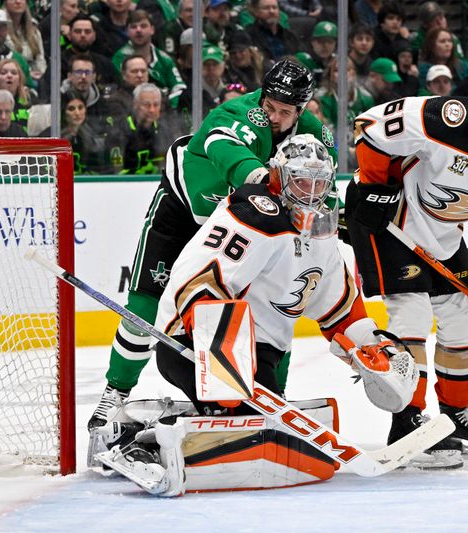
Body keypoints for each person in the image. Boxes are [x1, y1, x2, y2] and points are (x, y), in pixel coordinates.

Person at [93, 134, 417, 497]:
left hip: (259, 355)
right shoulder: (253, 213)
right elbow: (200, 284)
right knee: (231, 410)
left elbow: (338, 308)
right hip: (195, 344)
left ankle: (165, 424)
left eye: (318, 180)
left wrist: (368, 348)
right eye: (300, 179)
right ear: (278, 176)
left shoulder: (321, 233)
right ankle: (139, 444)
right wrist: (224, 365)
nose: (310, 190)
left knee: (255, 426)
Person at [86, 59, 337, 452]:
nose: (273, 116)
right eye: (270, 106)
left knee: (273, 310)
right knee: (145, 307)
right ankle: (114, 394)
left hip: (244, 229)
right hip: (185, 214)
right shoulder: (239, 112)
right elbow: (225, 147)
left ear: (301, 110)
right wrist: (259, 179)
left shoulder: (313, 133)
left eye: (284, 112)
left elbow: (322, 187)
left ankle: (275, 403)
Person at [345, 71, 468, 468]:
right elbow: (370, 126)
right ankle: (408, 418)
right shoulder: (445, 120)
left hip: (443, 237)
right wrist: (374, 184)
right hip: (389, 221)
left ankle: (454, 412)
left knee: (464, 320)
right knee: (412, 314)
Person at [112, 9, 186, 109]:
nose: (138, 30)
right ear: (127, 31)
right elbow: (120, 89)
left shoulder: (165, 59)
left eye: (143, 26)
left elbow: (179, 88)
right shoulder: (119, 58)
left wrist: (167, 105)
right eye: (133, 27)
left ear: (152, 29)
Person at [40, 91, 108, 173]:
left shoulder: (96, 134)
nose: (77, 113)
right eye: (71, 109)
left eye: (80, 107)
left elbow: (103, 168)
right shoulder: (50, 135)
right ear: (63, 112)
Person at [3, 0, 45, 81]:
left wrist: (41, 74)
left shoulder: (35, 32)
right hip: (9, 77)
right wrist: (27, 74)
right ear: (5, 2)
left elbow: (40, 61)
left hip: (34, 79)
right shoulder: (0, 31)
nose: (18, 1)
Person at [294, 20, 337, 85]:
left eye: (330, 42)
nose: (325, 46)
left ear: (335, 44)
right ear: (312, 42)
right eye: (321, 41)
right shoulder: (302, 59)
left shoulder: (337, 61)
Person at [0, 57, 30, 133]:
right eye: (3, 73)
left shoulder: (30, 101)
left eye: (14, 73)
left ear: (19, 81)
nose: (9, 76)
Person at [348, 22, 375, 87]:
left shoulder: (373, 65)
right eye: (360, 39)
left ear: (373, 43)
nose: (364, 43)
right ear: (351, 42)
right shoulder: (341, 63)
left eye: (368, 40)